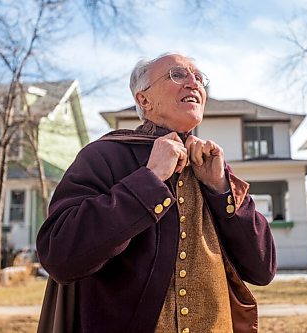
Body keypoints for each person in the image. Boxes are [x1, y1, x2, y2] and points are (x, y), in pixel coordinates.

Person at [36, 53, 276, 333]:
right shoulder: (103, 156)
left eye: (198, 77)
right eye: (178, 75)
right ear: (143, 100)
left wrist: (221, 188)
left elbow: (263, 269)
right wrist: (149, 179)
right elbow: (59, 255)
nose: (193, 83)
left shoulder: (214, 167)